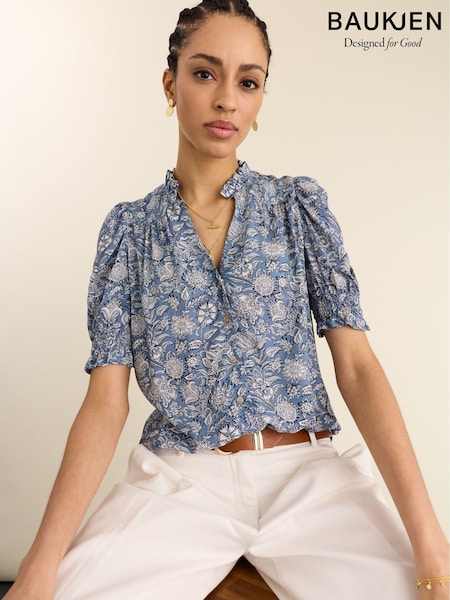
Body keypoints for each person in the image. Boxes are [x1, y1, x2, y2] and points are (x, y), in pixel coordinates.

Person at [6, 1, 449, 598]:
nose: (226, 101)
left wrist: (431, 543)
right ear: (171, 83)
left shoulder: (297, 208)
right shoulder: (130, 232)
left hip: (307, 477)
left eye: (248, 82)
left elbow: (358, 368)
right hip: (183, 483)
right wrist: (40, 563)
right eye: (204, 73)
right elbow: (106, 403)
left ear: (261, 97)